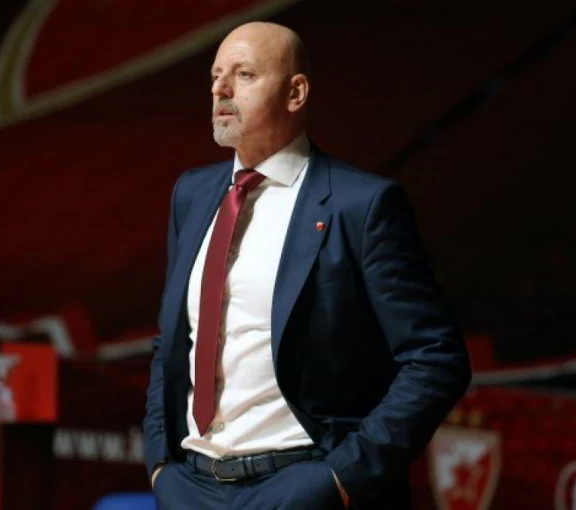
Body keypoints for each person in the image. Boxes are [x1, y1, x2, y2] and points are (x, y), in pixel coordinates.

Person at [143, 21, 471, 509]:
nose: (220, 89)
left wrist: (341, 478)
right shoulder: (190, 194)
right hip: (192, 486)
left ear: (295, 93)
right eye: (215, 76)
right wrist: (159, 465)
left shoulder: (361, 205)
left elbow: (436, 359)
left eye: (244, 74)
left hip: (301, 484)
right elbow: (171, 342)